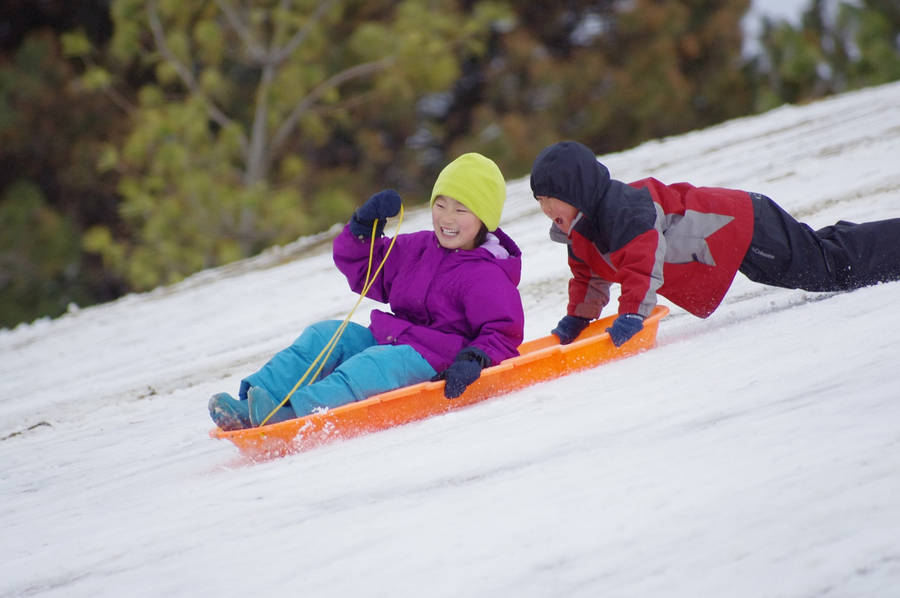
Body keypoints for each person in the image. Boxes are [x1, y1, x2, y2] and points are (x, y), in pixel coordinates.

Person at [209, 153, 525, 430]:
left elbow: (502, 332)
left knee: (370, 366)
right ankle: (254, 403)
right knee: (325, 336)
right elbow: (366, 267)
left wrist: (474, 359)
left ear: (484, 218)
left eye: (461, 210)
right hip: (389, 338)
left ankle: (296, 416)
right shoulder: (419, 247)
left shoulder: (487, 274)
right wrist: (362, 228)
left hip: (436, 359)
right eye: (440, 205)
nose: (447, 218)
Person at [529, 140, 900, 347]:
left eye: (550, 198)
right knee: (820, 255)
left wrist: (632, 314)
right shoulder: (580, 233)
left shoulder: (625, 211)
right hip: (734, 241)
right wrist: (578, 318)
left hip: (743, 223)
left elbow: (641, 264)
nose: (545, 209)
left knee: (828, 268)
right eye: (539, 201)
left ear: (577, 191)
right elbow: (589, 278)